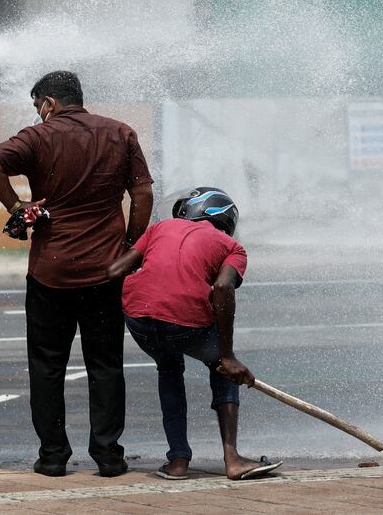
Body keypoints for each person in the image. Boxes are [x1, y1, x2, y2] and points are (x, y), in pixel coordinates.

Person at [0, 71, 154, 478]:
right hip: (105, 271)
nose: (38, 113)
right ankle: (109, 456)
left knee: (46, 366)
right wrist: (128, 247)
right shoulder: (120, 132)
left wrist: (16, 209)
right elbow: (142, 194)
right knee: (106, 364)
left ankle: (53, 457)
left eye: (38, 106)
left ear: (50, 103)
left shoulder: (38, 136)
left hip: (49, 273)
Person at [107, 187, 282, 480]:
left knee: (169, 368)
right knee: (223, 371)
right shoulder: (233, 248)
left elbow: (115, 270)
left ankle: (177, 462)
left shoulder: (160, 228)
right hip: (183, 323)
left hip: (139, 318)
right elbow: (223, 288)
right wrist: (227, 357)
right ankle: (233, 459)